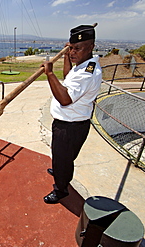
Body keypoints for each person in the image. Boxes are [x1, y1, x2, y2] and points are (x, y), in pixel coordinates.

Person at [41, 24, 102, 204]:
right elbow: (68, 77)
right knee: (62, 156)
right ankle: (61, 169)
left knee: (63, 157)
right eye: (72, 48)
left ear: (90, 47)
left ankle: (61, 189)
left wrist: (49, 73)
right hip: (68, 124)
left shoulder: (88, 73)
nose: (74, 52)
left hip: (70, 127)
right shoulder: (83, 66)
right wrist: (68, 56)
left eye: (78, 49)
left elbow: (65, 99)